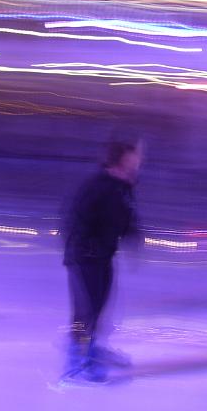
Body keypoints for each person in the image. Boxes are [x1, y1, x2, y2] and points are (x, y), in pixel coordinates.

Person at [60, 137, 144, 383]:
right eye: (135, 155)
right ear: (122, 158)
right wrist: (86, 248)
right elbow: (75, 219)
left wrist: (134, 237)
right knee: (84, 312)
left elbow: (126, 218)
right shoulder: (96, 185)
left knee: (98, 309)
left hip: (104, 257)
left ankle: (92, 348)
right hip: (84, 258)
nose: (140, 160)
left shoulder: (124, 186)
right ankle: (76, 359)